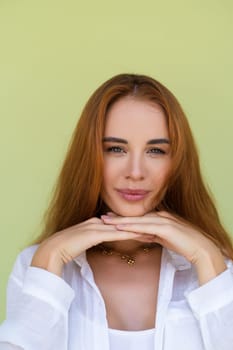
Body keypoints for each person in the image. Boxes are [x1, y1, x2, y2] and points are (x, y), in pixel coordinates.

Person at [0, 73, 233, 350]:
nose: (135, 172)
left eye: (156, 151)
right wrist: (51, 257)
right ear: (89, 157)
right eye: (115, 149)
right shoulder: (39, 268)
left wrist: (207, 258)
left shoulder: (217, 271)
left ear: (178, 162)